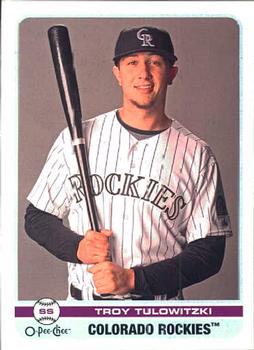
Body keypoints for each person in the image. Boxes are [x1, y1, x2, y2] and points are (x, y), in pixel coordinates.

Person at [25, 26, 232, 300]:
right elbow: (37, 218)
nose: (143, 73)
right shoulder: (75, 139)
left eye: (155, 62)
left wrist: (134, 279)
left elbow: (209, 252)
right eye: (132, 62)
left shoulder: (197, 153)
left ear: (172, 73)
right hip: (84, 312)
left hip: (159, 314)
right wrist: (78, 248)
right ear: (118, 74)